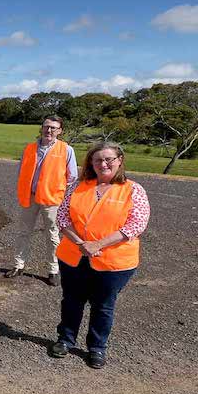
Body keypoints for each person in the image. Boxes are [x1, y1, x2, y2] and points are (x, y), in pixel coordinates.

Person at [49, 142, 149, 369]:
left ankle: (97, 347)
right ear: (91, 163)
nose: (103, 164)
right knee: (72, 301)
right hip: (74, 255)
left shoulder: (133, 190)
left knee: (103, 305)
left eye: (109, 159)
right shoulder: (77, 186)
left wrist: (98, 245)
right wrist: (81, 243)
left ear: (120, 161)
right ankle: (65, 339)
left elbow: (136, 224)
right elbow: (63, 218)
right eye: (97, 160)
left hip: (114, 261)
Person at [5, 116, 78, 286]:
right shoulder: (30, 148)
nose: (49, 130)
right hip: (30, 197)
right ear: (42, 128)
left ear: (60, 131)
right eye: (46, 126)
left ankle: (53, 270)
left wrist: (57, 189)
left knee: (52, 235)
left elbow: (72, 176)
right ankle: (18, 265)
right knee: (24, 232)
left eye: (53, 128)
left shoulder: (66, 150)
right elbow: (22, 170)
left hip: (52, 200)